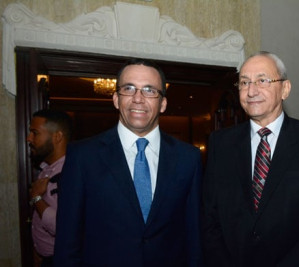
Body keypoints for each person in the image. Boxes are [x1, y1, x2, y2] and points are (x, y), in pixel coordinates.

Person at [54, 58, 202, 266]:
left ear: (163, 103)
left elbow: (194, 236)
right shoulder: (82, 156)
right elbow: (67, 242)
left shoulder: (188, 158)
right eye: (129, 88)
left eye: (150, 90)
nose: (138, 99)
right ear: (116, 99)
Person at [202, 51, 299, 267]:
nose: (251, 90)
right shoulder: (220, 144)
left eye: (262, 80)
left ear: (285, 89)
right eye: (244, 82)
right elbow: (209, 218)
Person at [27, 109, 72, 267]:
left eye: (35, 133)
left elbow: (63, 227)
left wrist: (36, 198)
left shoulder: (70, 173)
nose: (29, 138)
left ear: (57, 137)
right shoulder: (46, 169)